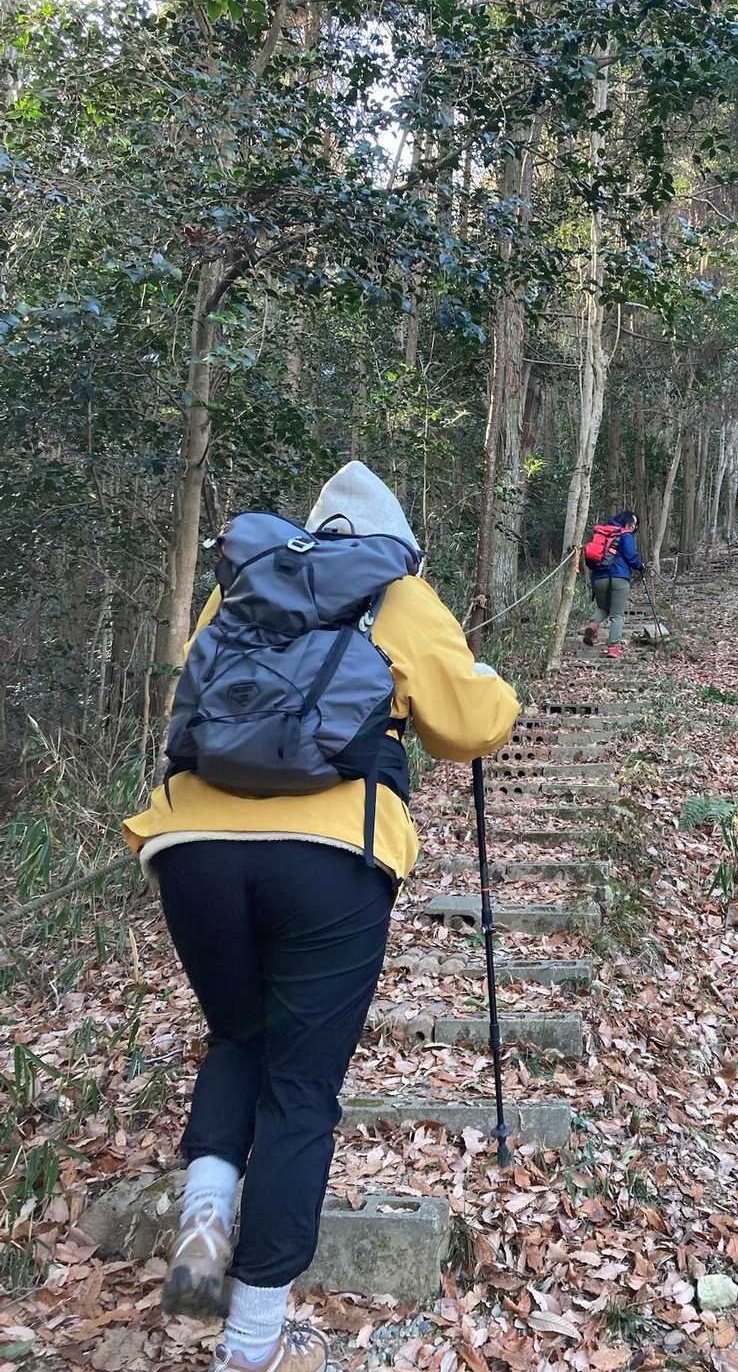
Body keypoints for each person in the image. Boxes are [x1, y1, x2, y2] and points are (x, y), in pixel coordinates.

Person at [123, 464, 520, 1372]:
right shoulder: (399, 594)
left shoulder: (242, 583)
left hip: (191, 847)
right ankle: (252, 1339)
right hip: (329, 856)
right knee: (300, 1089)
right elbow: (468, 728)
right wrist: (493, 685)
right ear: (396, 540)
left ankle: (207, 1209)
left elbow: (194, 701)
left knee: (237, 1036)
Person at [583, 510, 644, 659]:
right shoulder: (625, 535)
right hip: (619, 578)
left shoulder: (602, 533)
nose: (634, 527)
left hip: (599, 578)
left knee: (603, 608)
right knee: (617, 614)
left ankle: (593, 626)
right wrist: (641, 566)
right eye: (633, 523)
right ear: (627, 522)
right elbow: (631, 557)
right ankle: (613, 647)